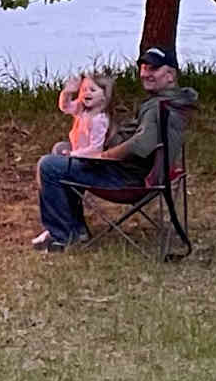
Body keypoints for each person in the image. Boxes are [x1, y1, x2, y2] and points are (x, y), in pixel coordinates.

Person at [31, 46, 198, 253]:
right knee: (61, 149)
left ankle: (62, 235)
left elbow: (142, 144)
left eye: (153, 69)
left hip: (129, 179)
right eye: (144, 68)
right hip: (139, 171)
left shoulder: (159, 107)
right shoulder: (174, 101)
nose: (145, 74)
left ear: (170, 75)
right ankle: (76, 228)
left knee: (48, 165)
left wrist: (103, 156)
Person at [31, 72, 113, 246]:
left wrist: (73, 155)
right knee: (58, 148)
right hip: (77, 156)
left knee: (51, 164)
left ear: (104, 96)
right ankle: (67, 225)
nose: (86, 93)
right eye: (83, 90)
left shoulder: (99, 119)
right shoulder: (81, 109)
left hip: (90, 163)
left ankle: (61, 229)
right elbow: (65, 106)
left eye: (92, 90)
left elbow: (96, 149)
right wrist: (68, 92)